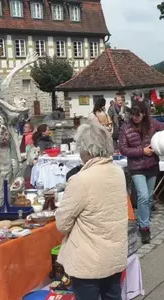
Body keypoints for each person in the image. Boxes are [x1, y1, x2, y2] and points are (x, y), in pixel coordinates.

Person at [55, 123, 127, 300]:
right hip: (113, 253)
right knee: (113, 296)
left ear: (86, 150)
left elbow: (62, 224)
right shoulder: (118, 172)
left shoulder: (81, 180)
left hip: (88, 261)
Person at [119, 101, 164, 243]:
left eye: (138, 116)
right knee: (143, 196)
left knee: (149, 196)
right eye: (133, 115)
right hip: (136, 167)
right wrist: (142, 151)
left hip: (151, 165)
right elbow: (123, 149)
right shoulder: (125, 128)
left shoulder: (152, 123)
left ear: (144, 114)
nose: (135, 118)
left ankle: (144, 220)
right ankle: (144, 227)